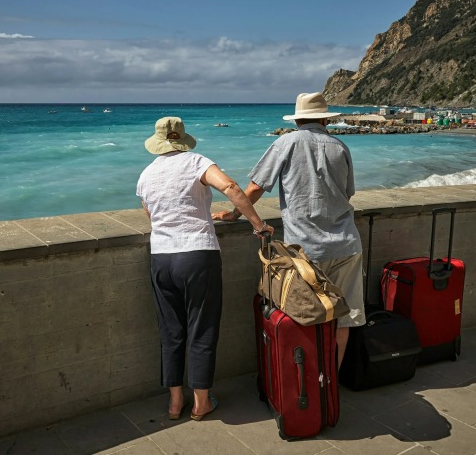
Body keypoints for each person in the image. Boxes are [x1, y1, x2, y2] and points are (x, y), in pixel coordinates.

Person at [212, 92, 365, 369]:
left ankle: (309, 384)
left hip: (306, 250)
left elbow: (256, 186)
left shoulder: (286, 142)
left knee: (306, 316)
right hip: (346, 244)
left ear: (297, 119)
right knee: (345, 317)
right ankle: (331, 381)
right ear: (324, 119)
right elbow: (348, 194)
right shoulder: (340, 146)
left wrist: (235, 213)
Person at [136, 116, 274, 422]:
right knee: (202, 327)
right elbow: (231, 186)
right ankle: (200, 402)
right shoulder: (196, 162)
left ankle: (174, 402)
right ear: (182, 139)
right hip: (197, 254)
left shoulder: (146, 175)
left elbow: (152, 215)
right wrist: (258, 225)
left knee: (171, 331)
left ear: (157, 143)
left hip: (161, 257)